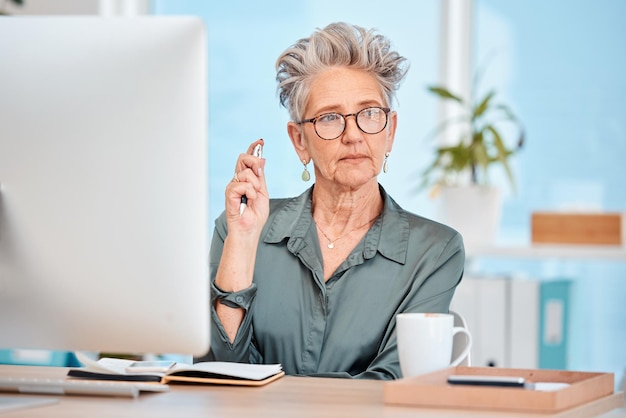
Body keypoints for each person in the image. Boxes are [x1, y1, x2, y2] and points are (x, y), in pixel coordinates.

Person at [200, 22, 465, 380]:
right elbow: (220, 372)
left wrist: (276, 391)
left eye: (370, 113)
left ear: (390, 132)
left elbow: (392, 382)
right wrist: (243, 242)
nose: (353, 135)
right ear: (299, 141)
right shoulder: (238, 228)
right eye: (329, 118)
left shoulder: (435, 250)